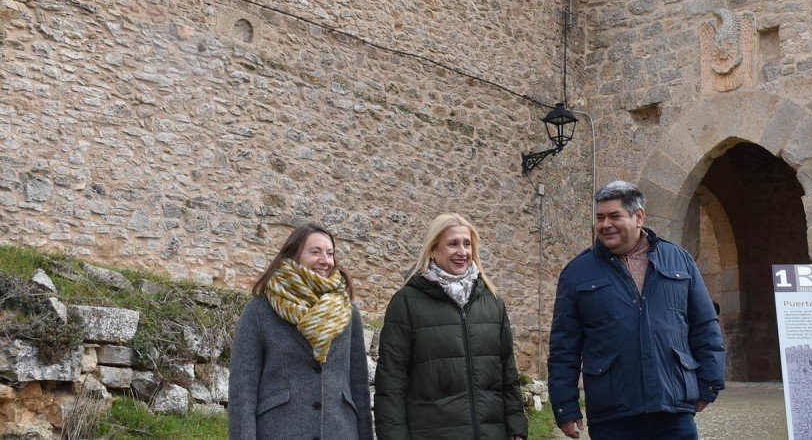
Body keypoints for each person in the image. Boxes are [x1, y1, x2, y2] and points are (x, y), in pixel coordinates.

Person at [548, 181, 726, 440]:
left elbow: (705, 325)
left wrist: (709, 382)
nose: (605, 224)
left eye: (614, 216)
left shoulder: (679, 261)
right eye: (600, 217)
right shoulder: (577, 273)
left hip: (672, 409)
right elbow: (564, 347)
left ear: (638, 216)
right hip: (612, 414)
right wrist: (565, 405)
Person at [374, 214, 527, 440]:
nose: (462, 252)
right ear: (433, 249)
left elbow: (508, 372)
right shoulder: (406, 302)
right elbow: (391, 382)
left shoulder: (492, 301)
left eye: (467, 244)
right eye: (453, 244)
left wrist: (516, 426)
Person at [228, 223, 373, 440]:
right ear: (294, 255)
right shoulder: (260, 310)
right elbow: (243, 391)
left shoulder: (348, 311)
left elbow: (359, 386)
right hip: (279, 431)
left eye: (330, 253)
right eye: (315, 252)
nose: (325, 260)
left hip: (341, 431)